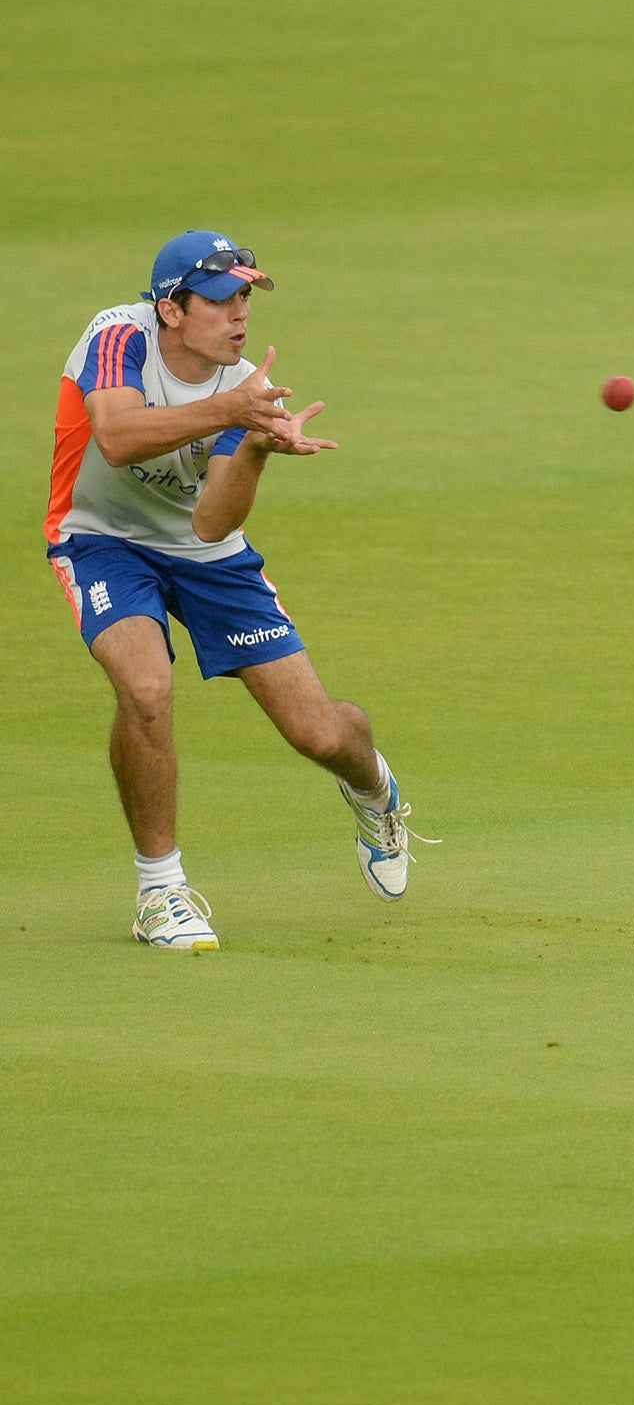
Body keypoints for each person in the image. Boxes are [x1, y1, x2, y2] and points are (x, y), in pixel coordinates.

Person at [46, 231, 427, 951]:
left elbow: (213, 519)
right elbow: (119, 437)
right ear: (171, 309)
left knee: (317, 733)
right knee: (147, 690)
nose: (240, 313)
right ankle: (160, 890)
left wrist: (254, 446)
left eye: (247, 296)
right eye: (221, 299)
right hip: (100, 538)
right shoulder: (116, 337)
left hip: (207, 552)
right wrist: (235, 415)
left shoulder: (244, 385)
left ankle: (374, 788)